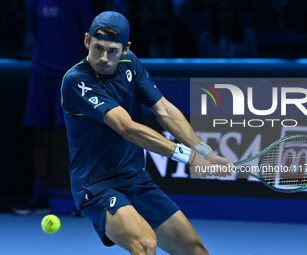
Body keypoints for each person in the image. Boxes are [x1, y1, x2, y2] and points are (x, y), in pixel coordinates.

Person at [61, 11, 230, 254]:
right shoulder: (77, 80)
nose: (104, 58)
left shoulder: (131, 65)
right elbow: (127, 128)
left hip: (135, 179)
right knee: (144, 243)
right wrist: (189, 157)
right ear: (87, 41)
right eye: (98, 48)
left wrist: (204, 151)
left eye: (112, 51)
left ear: (126, 49)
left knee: (195, 250)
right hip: (96, 185)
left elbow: (164, 110)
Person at [12, 0, 93, 215]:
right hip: (40, 74)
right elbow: (35, 33)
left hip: (69, 76)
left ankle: (81, 199)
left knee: (73, 139)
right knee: (40, 134)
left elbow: (89, 40)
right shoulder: (34, 2)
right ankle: (40, 197)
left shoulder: (79, 4)